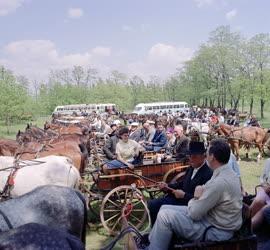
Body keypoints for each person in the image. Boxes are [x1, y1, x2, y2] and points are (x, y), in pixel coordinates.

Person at [148, 139, 242, 250]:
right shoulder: (229, 173)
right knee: (163, 208)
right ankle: (151, 243)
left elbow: (194, 213)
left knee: (165, 216)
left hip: (216, 231)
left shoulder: (219, 181)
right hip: (215, 222)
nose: (205, 155)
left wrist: (196, 197)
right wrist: (201, 189)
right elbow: (207, 191)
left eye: (207, 153)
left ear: (212, 157)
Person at [148, 141, 212, 226]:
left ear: (204, 157)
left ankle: (162, 231)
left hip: (189, 205)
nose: (191, 159)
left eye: (194, 156)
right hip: (179, 199)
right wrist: (167, 186)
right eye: (190, 156)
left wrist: (184, 195)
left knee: (155, 205)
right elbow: (182, 183)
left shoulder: (208, 173)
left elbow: (203, 201)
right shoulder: (191, 168)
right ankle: (157, 229)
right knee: (152, 204)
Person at [249, 158, 270, 230]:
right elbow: (262, 178)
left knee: (264, 208)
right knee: (258, 201)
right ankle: (246, 223)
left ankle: (249, 228)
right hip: (266, 190)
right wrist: (265, 186)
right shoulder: (268, 161)